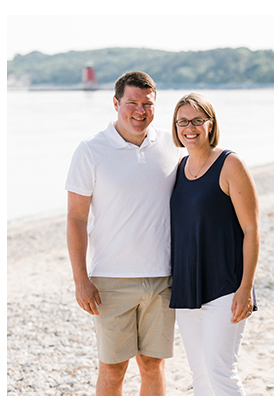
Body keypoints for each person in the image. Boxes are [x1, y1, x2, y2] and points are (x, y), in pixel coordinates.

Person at [66, 71, 178, 396]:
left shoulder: (171, 145)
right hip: (110, 282)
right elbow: (75, 219)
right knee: (113, 372)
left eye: (147, 103)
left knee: (153, 367)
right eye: (131, 103)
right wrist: (80, 280)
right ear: (116, 103)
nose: (139, 111)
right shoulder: (90, 151)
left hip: (163, 279)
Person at [167, 93, 259, 396]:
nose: (189, 128)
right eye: (183, 122)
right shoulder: (179, 168)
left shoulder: (230, 164)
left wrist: (246, 288)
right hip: (188, 287)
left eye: (196, 120)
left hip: (226, 286)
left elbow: (251, 229)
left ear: (210, 124)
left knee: (220, 370)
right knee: (201, 374)